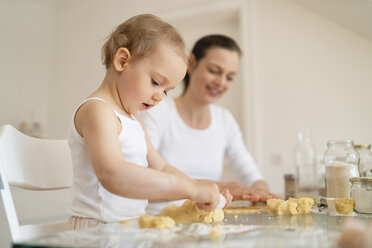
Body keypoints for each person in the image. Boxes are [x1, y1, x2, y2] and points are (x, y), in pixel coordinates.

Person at [67, 14, 222, 230]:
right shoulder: (97, 111)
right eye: (156, 82)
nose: (159, 96)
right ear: (122, 61)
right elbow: (112, 173)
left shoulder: (134, 121)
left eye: (166, 91)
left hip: (129, 228)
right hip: (96, 230)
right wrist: (189, 188)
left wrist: (197, 189)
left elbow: (162, 168)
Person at [139, 34, 277, 215]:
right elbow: (143, 179)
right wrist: (219, 187)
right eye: (214, 71)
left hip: (206, 226)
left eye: (230, 77)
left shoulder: (225, 120)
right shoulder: (157, 111)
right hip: (159, 224)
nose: (221, 82)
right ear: (192, 63)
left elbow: (252, 176)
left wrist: (260, 192)